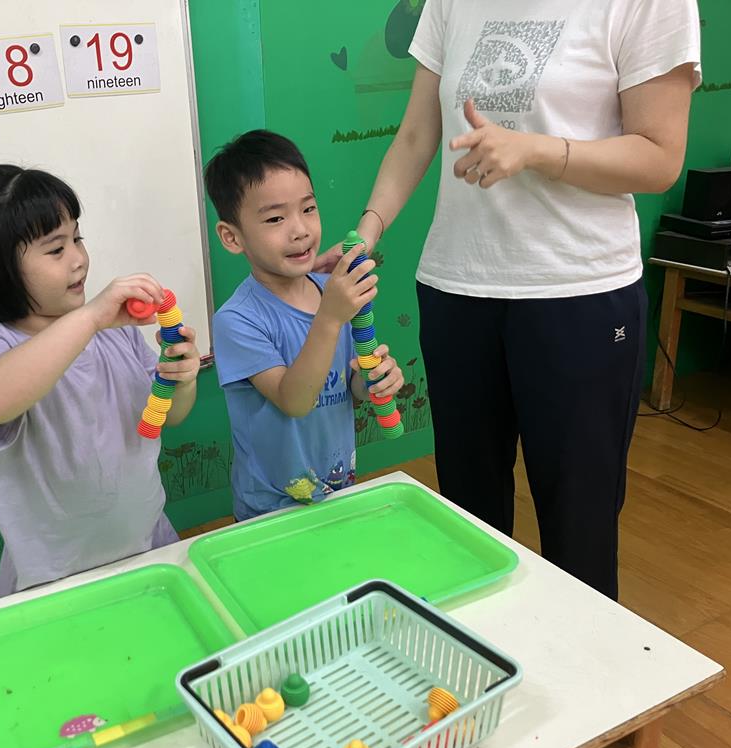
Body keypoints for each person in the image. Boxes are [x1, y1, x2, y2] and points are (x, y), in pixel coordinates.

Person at [322, 0, 701, 598]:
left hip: (579, 294)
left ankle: (578, 658)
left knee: (578, 525)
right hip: (456, 288)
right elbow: (417, 133)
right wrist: (368, 229)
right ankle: (484, 654)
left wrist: (538, 151)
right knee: (468, 522)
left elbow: (659, 158)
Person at [0, 162, 200, 595]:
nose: (79, 259)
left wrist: (181, 380)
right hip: (54, 581)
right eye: (56, 249)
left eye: (77, 238)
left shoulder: (117, 333)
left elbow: (166, 417)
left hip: (150, 548)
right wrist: (90, 318)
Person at [207, 130, 404, 520]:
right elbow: (294, 400)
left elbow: (346, 386)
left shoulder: (330, 292)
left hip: (337, 490)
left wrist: (372, 381)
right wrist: (330, 316)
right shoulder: (237, 320)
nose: (299, 229)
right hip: (269, 509)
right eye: (275, 218)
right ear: (232, 237)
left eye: (308, 208)